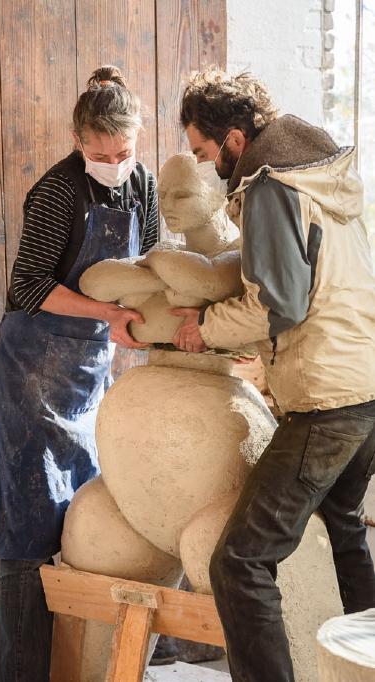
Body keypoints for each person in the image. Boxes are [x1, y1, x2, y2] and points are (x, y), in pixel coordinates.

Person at [174, 68, 375, 682]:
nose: (207, 168)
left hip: (329, 399)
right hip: (367, 384)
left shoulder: (268, 185)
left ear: (235, 139)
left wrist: (201, 328)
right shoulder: (322, 172)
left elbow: (279, 302)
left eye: (205, 154)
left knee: (237, 561)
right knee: (343, 529)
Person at [0, 65, 158, 682]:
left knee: (83, 523)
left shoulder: (141, 182)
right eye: (100, 153)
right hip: (34, 366)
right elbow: (27, 287)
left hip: (92, 364)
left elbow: (155, 259)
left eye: (125, 151)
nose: (115, 162)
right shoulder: (58, 191)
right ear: (76, 140)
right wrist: (109, 313)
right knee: (29, 527)